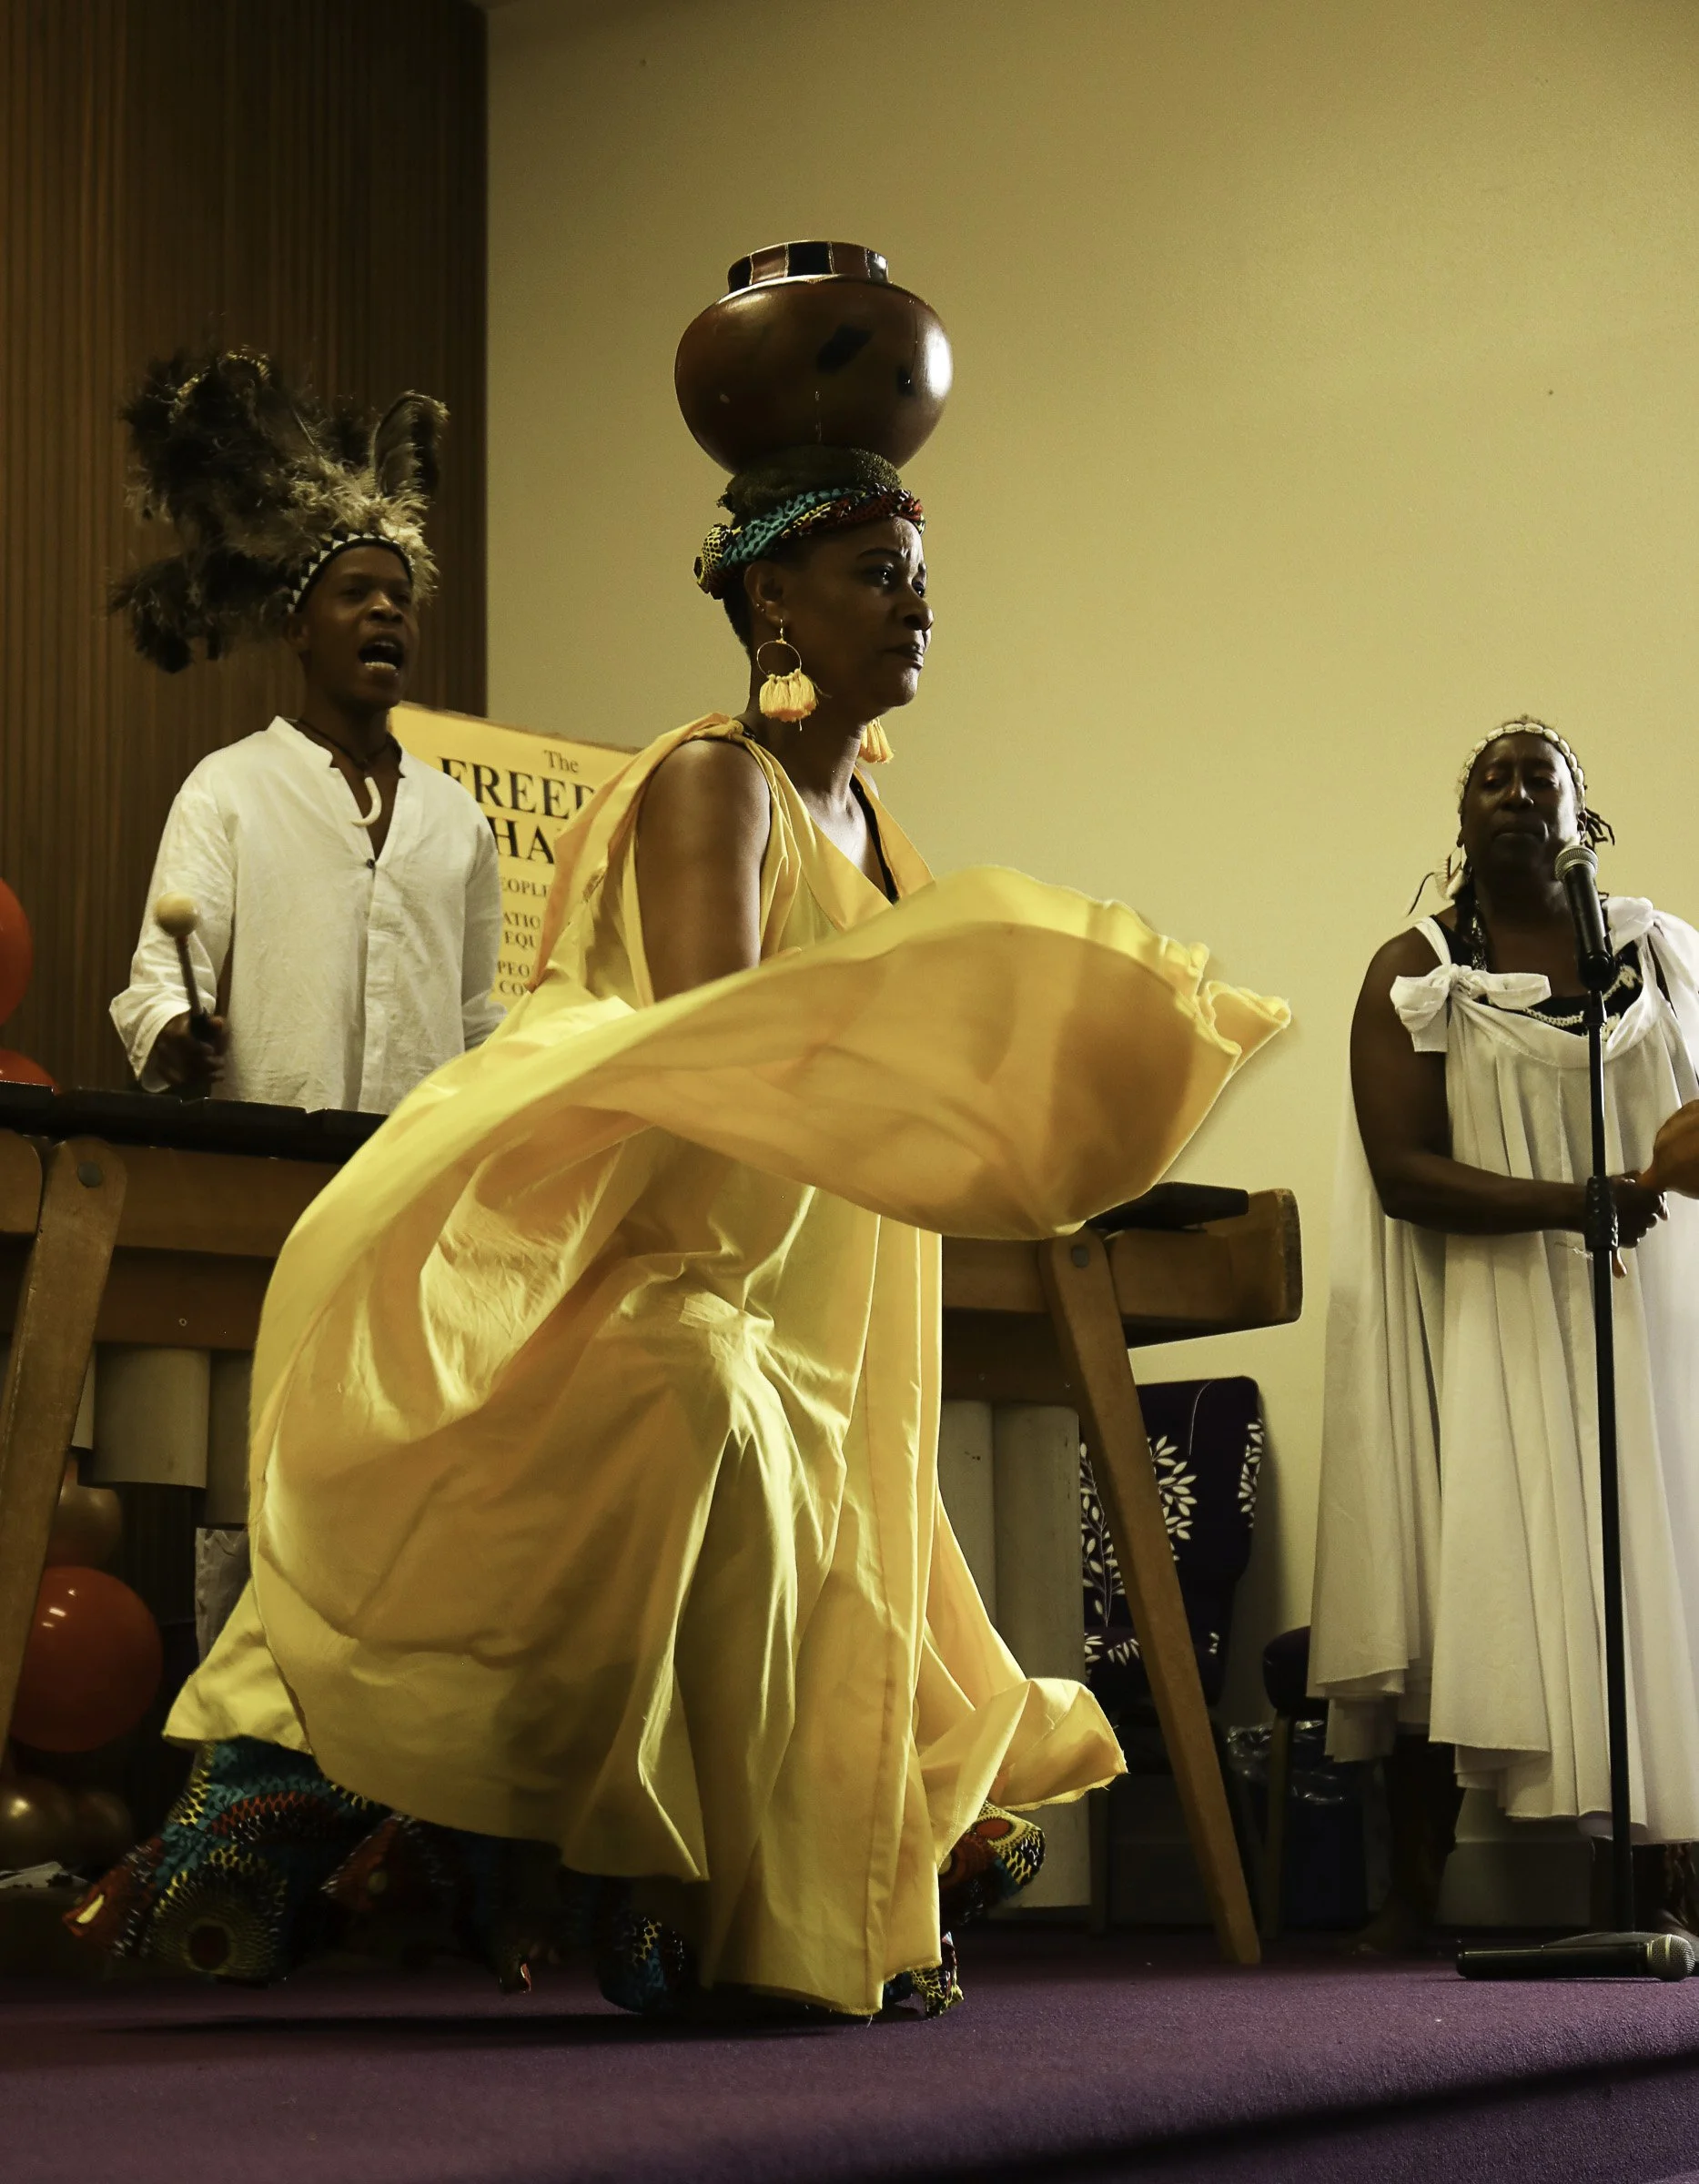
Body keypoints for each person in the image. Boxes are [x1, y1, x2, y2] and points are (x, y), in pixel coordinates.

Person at [69, 444, 1287, 2019]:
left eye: (917, 574)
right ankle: (617, 1861)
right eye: (871, 572)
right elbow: (733, 1046)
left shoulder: (880, 830)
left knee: (852, 1479)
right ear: (771, 599)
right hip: (628, 1242)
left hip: (799, 1265)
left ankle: (721, 1875)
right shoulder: (719, 779)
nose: (911, 602)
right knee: (718, 1406)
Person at [1310, 719, 1699, 1946]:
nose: (1517, 792)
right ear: (1462, 816)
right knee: (1456, 1563)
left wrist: (1646, 1192)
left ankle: (1655, 1880)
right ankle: (1415, 1887)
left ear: (1580, 817)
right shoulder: (1412, 967)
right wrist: (1575, 1206)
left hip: (1647, 1328)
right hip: (1481, 1327)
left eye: (1543, 777)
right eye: (1494, 777)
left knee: (1657, 1572)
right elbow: (1403, 1170)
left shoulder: (1665, 957)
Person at [107, 351, 501, 1111]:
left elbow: (474, 1017)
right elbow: (158, 986)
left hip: (415, 1185)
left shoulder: (459, 819)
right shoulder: (229, 788)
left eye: (400, 599)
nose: (386, 611)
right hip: (268, 1177)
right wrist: (177, 1035)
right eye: (355, 593)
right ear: (299, 629)